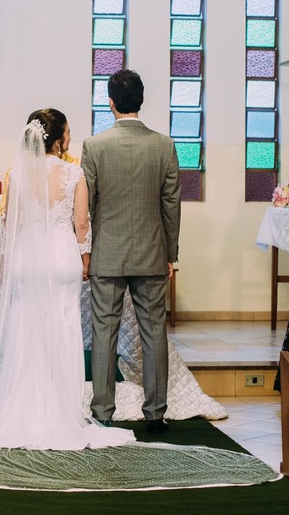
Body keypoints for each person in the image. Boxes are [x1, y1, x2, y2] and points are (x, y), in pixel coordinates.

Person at [0, 109, 134, 450]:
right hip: (61, 259)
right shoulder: (73, 174)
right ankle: (60, 415)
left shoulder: (18, 175)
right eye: (68, 131)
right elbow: (82, 224)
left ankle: (22, 412)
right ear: (60, 138)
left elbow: (10, 226)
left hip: (26, 260)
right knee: (63, 327)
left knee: (25, 329)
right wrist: (85, 258)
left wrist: (6, 263)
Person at [82, 70, 180, 434]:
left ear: (111, 102)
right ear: (141, 100)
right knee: (154, 331)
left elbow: (86, 206)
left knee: (103, 331)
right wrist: (171, 253)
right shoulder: (164, 145)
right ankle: (155, 413)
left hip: (107, 253)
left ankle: (103, 411)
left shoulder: (94, 147)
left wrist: (86, 252)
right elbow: (172, 205)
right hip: (152, 253)